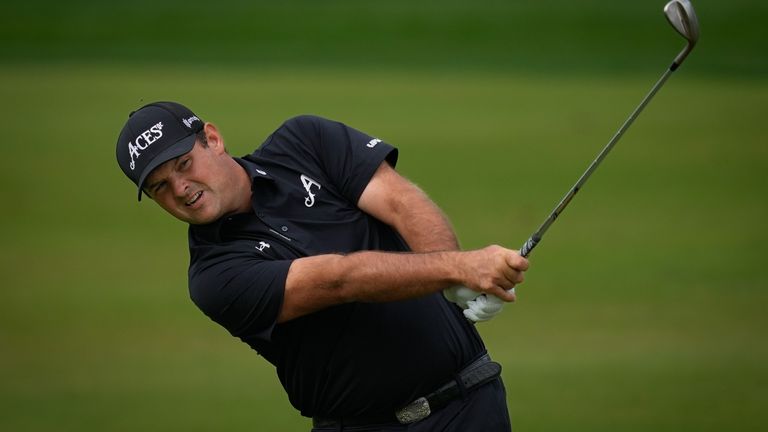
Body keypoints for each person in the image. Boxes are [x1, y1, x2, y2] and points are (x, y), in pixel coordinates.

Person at [115, 101, 529, 431]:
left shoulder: (304, 142)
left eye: (184, 165)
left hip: (474, 402)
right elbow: (337, 280)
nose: (180, 189)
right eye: (160, 187)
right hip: (367, 427)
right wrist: (455, 270)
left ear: (213, 138)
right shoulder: (214, 277)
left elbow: (402, 203)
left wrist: (450, 282)